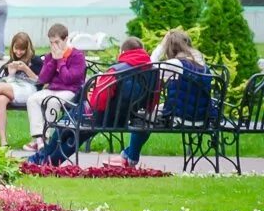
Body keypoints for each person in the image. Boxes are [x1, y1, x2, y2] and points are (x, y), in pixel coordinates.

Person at [28, 37, 152, 166]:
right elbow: (151, 101)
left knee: (65, 126)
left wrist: (89, 105)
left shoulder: (117, 70)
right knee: (76, 132)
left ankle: (43, 159)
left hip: (101, 117)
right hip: (126, 118)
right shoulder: (151, 71)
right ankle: (47, 161)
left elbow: (99, 99)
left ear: (123, 52)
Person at [106, 30, 211, 169]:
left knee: (142, 117)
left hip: (182, 117)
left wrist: (161, 46)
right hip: (203, 117)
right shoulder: (202, 64)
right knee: (152, 113)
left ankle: (130, 159)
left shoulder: (176, 64)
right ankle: (126, 155)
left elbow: (149, 67)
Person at [23, 23, 86, 151]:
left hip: (70, 91)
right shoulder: (50, 56)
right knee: (33, 99)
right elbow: (43, 78)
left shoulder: (77, 56)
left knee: (52, 101)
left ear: (66, 39)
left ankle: (47, 140)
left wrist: (61, 60)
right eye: (51, 42)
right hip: (53, 89)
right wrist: (53, 60)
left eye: (57, 42)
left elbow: (68, 79)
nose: (54, 46)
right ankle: (40, 140)